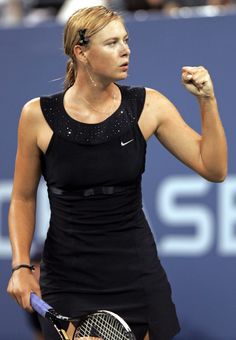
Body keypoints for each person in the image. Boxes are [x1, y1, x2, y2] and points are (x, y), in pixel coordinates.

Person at [7, 5, 227, 340]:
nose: (125, 50)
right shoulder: (37, 115)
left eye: (125, 40)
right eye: (112, 43)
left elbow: (213, 168)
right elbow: (23, 197)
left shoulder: (148, 105)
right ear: (81, 52)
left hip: (136, 276)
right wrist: (21, 265)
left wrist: (207, 102)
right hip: (68, 280)